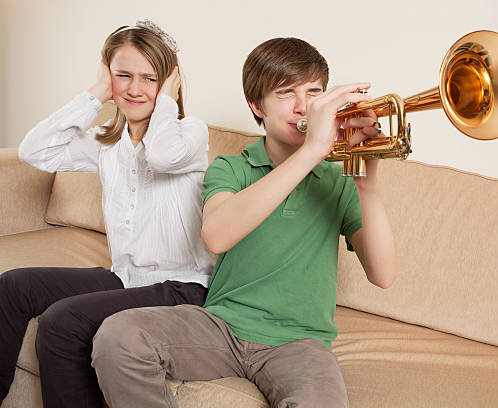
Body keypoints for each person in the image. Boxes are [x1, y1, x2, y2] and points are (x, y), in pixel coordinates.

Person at [91, 37, 398, 407]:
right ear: (256, 106)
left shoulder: (338, 181)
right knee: (118, 335)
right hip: (220, 326)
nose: (303, 105)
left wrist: (367, 183)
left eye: (314, 91)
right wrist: (313, 150)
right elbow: (217, 236)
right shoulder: (231, 168)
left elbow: (383, 275)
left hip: (301, 343)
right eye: (285, 92)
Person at [0, 20, 214, 408]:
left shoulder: (191, 134)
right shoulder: (106, 144)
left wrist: (166, 100)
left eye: (150, 78)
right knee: (13, 286)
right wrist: (96, 93)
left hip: (183, 288)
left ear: (169, 84)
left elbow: (163, 155)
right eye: (123, 76)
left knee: (61, 322)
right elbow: (35, 151)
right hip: (125, 279)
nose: (135, 88)